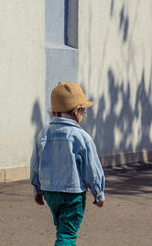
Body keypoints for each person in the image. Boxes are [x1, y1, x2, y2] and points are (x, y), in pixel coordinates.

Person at [30, 81, 105, 246]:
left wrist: (37, 189)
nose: (83, 115)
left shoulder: (44, 134)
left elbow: (35, 164)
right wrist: (98, 193)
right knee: (67, 234)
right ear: (77, 111)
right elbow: (92, 168)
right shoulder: (81, 137)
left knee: (62, 229)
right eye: (83, 111)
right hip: (72, 194)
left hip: (50, 193)